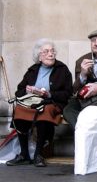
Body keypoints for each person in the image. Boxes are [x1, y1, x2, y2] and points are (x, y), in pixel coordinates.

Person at [6, 38, 73, 167]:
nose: (51, 54)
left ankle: (38, 154)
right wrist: (27, 90)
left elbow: (68, 93)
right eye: (46, 51)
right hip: (32, 102)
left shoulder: (62, 69)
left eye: (52, 51)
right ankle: (24, 154)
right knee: (19, 111)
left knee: (44, 111)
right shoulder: (32, 70)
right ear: (39, 56)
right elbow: (19, 90)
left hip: (52, 103)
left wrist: (48, 94)